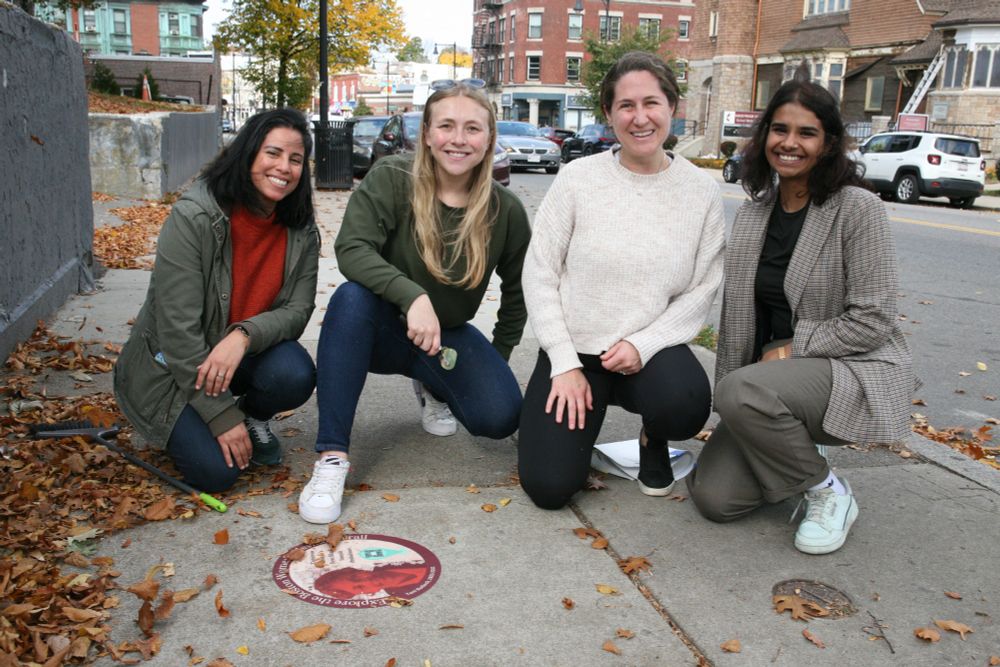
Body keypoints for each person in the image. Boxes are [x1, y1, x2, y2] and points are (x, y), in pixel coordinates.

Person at [687, 73, 916, 555]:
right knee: (715, 498)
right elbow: (738, 319)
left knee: (744, 390)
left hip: (849, 366)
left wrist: (789, 351)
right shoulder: (755, 212)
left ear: (829, 143)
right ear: (764, 135)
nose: (789, 143)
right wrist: (737, 397)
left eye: (806, 133)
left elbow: (874, 319)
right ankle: (792, 443)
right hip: (769, 381)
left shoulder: (857, 209)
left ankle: (828, 492)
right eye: (779, 129)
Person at [298, 79, 531, 524]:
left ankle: (431, 386)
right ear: (426, 133)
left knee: (499, 418)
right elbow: (352, 249)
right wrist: (412, 295)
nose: (458, 139)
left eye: (472, 129)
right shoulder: (393, 178)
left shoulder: (506, 211)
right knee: (349, 299)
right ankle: (331, 457)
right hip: (379, 326)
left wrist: (498, 360)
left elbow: (519, 294)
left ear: (489, 140)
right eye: (446, 126)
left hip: (444, 337)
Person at [518, 51, 725, 510]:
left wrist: (645, 344)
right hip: (577, 360)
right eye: (625, 106)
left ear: (672, 106)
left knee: (686, 403)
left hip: (646, 358)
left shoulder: (701, 192)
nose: (640, 117)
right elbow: (539, 273)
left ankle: (654, 439)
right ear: (609, 115)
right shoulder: (577, 179)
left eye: (651, 102)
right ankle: (575, 434)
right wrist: (563, 362)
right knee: (549, 488)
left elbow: (702, 290)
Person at [114, 109, 319, 493]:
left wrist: (242, 336)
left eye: (295, 159)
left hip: (234, 357)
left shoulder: (300, 228)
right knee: (218, 474)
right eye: (272, 153)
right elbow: (177, 332)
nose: (284, 167)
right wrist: (220, 416)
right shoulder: (196, 216)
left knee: (294, 372)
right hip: (173, 370)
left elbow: (297, 311)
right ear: (247, 155)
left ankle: (253, 419)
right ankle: (210, 419)